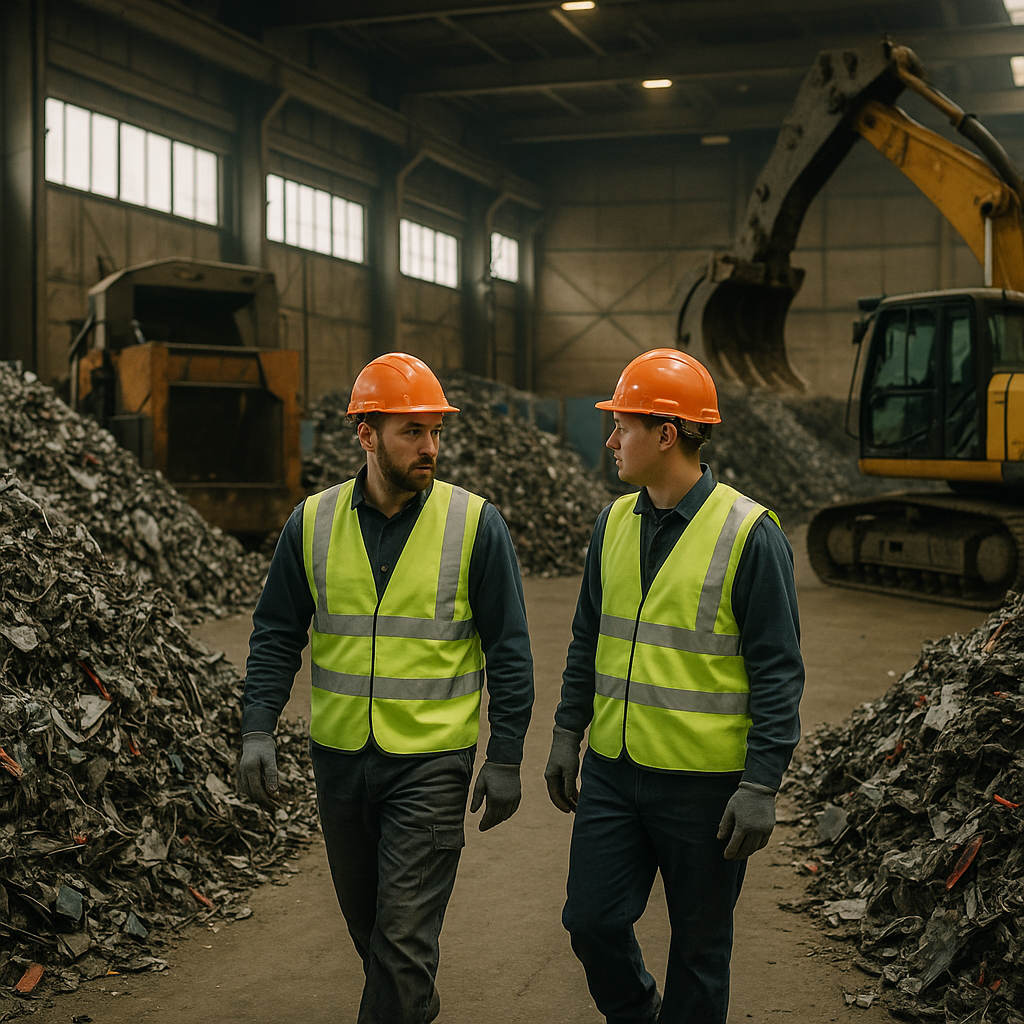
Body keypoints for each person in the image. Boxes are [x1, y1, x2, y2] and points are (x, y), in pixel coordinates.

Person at [237, 352, 534, 1024]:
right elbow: (277, 630)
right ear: (366, 434)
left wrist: (506, 754)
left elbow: (510, 649)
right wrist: (258, 726)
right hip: (339, 762)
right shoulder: (311, 524)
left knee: (401, 944)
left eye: (435, 432)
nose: (430, 447)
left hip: (431, 764)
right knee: (375, 937)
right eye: (412, 432)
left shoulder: (474, 525)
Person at [544, 348, 804, 1024]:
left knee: (699, 953)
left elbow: (779, 670)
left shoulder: (750, 534)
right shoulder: (611, 525)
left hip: (706, 787)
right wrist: (568, 731)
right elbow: (586, 639)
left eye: (622, 425)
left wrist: (761, 783)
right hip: (614, 773)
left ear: (666, 435)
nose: (610, 440)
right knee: (590, 922)